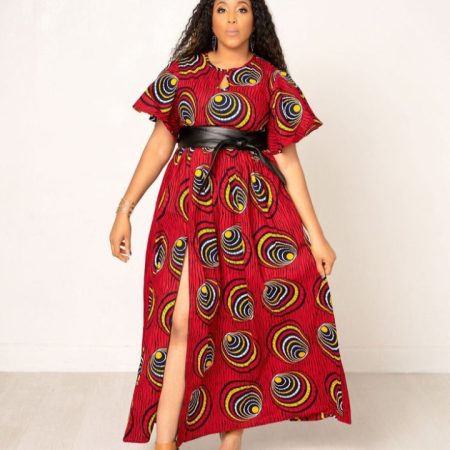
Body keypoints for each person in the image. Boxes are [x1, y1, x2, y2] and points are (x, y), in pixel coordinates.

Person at [110, 1, 352, 449]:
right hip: (188, 207)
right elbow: (161, 144)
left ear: (255, 17)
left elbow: (288, 161)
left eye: (242, 8)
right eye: (222, 9)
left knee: (237, 320)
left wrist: (317, 238)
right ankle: (166, 441)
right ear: (210, 18)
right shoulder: (183, 73)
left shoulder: (272, 80)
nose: (232, 19)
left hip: (251, 211)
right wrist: (125, 209)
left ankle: (231, 442)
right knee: (179, 321)